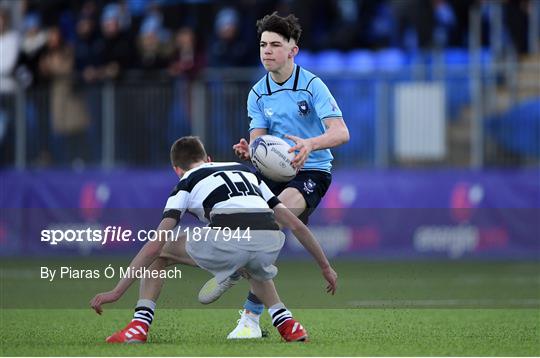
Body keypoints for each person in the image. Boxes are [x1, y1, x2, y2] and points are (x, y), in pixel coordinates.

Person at [90, 136, 338, 343]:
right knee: (252, 260)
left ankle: (139, 325)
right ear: (208, 159)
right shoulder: (245, 171)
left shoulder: (185, 182)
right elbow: (295, 224)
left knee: (161, 251)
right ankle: (287, 322)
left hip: (229, 239)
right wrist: (326, 267)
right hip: (271, 240)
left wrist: (116, 292)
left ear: (177, 170)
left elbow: (155, 243)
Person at [227, 12, 349, 338]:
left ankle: (251, 318)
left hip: (311, 170)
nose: (267, 51)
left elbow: (340, 132)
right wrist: (249, 150)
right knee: (257, 237)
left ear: (293, 50)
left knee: (271, 224)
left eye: (275, 45)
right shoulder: (257, 92)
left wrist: (310, 144)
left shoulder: (312, 86)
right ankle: (253, 319)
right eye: (263, 44)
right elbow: (258, 140)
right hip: (272, 173)